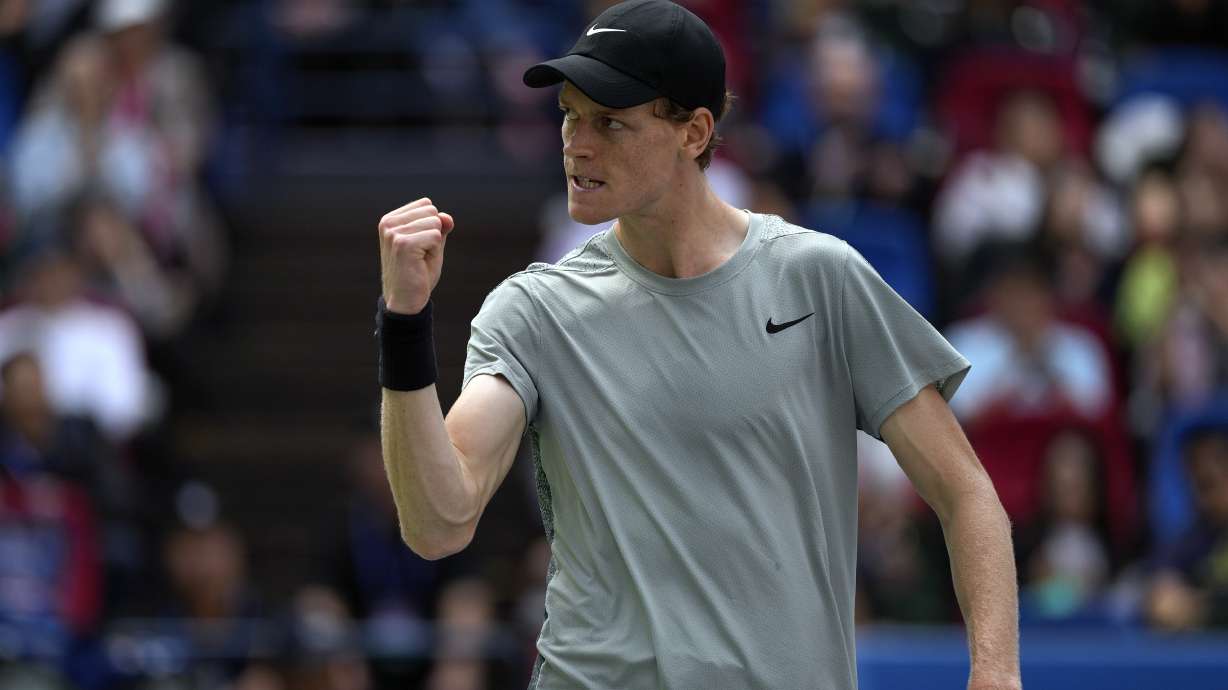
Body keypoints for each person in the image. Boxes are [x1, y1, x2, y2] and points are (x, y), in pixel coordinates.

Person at [374, 1, 1020, 688]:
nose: (577, 142)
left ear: (694, 131)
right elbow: (439, 522)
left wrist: (995, 672)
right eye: (569, 114)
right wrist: (405, 322)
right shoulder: (534, 310)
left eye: (611, 121)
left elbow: (966, 493)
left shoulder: (819, 279)